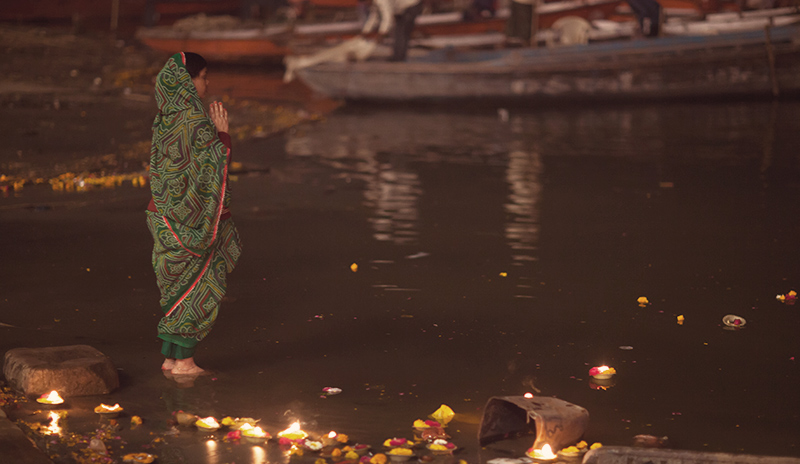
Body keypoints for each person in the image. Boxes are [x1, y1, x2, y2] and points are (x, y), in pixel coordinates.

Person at [145, 52, 242, 377]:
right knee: (201, 285)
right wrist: (223, 137)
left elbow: (169, 170)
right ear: (188, 80)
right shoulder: (196, 122)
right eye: (203, 76)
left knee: (176, 287)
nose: (207, 82)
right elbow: (210, 170)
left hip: (162, 216)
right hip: (189, 222)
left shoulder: (164, 118)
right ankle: (184, 362)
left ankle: (171, 358)